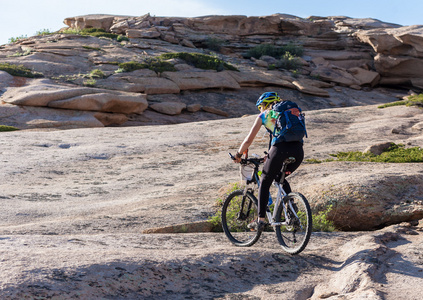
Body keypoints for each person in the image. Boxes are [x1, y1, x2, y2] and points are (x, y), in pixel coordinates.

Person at [234, 91, 304, 231]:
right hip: (298, 151)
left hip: (280, 150)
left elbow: (248, 140)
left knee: (265, 180)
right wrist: (270, 155)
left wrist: (238, 154)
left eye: (260, 107)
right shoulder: (286, 112)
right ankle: (291, 208)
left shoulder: (264, 115)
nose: (259, 110)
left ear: (263, 105)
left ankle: (260, 221)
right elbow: (278, 136)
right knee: (280, 177)